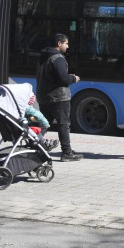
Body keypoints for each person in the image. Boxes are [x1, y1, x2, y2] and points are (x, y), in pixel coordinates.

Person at [37, 33, 83, 162]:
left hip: (43, 96)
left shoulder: (43, 57)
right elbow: (63, 79)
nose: (67, 46)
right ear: (59, 43)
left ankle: (34, 145)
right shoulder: (58, 58)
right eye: (66, 43)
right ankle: (67, 152)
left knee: (44, 123)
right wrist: (73, 78)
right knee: (63, 124)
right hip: (58, 97)